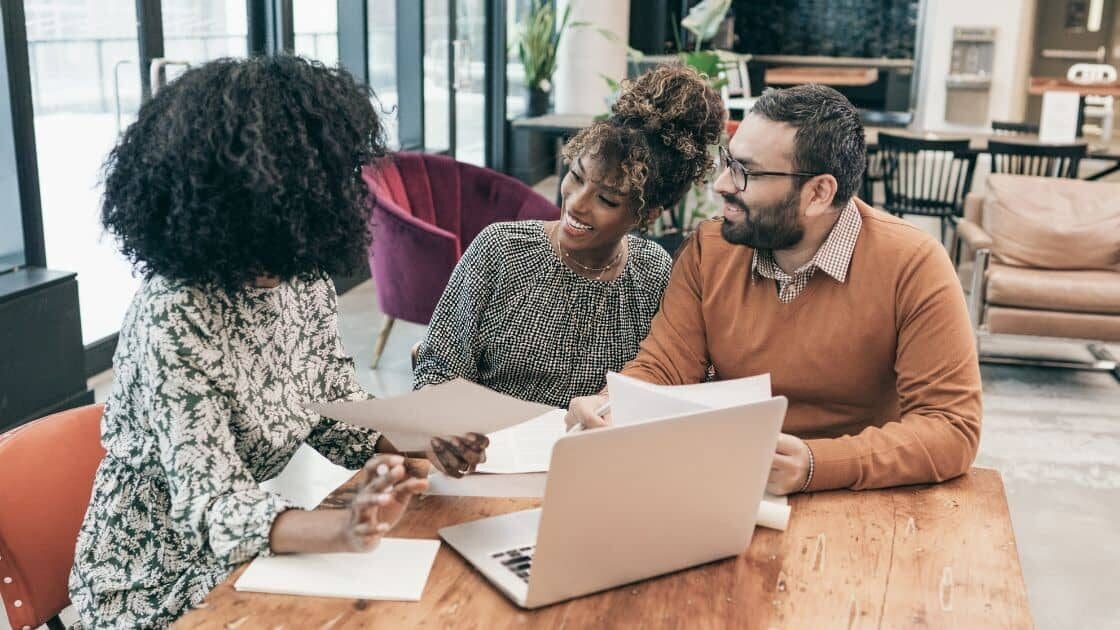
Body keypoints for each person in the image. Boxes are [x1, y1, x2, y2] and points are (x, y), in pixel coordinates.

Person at [68, 56, 487, 629]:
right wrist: (342, 529)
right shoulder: (176, 313)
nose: (275, 263)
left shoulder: (300, 278)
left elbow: (338, 419)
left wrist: (423, 439)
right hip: (154, 581)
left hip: (248, 553)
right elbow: (212, 507)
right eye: (256, 231)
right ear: (210, 213)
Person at [566, 84, 982, 495]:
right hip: (730, 485)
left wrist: (817, 465)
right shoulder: (710, 250)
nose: (723, 185)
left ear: (818, 193)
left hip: (864, 499)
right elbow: (664, 369)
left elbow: (950, 427)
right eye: (728, 162)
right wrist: (609, 406)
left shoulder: (914, 264)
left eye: (747, 172)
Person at [413, 65, 726, 407]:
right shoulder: (500, 250)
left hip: (594, 454)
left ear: (647, 213)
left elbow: (668, 385)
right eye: (576, 177)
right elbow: (436, 369)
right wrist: (448, 424)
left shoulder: (654, 274)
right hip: (490, 451)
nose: (576, 204)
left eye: (607, 199)